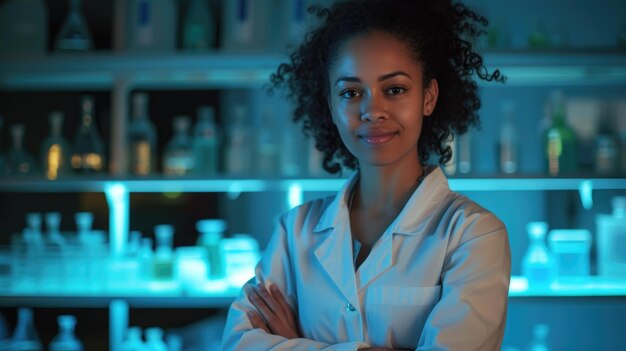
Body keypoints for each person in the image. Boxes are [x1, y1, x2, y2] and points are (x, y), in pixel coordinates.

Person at [221, 0, 510, 350]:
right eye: (351, 93)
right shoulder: (294, 232)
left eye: (395, 89)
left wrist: (297, 343)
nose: (372, 110)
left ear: (428, 97)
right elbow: (238, 344)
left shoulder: (473, 234)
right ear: (330, 105)